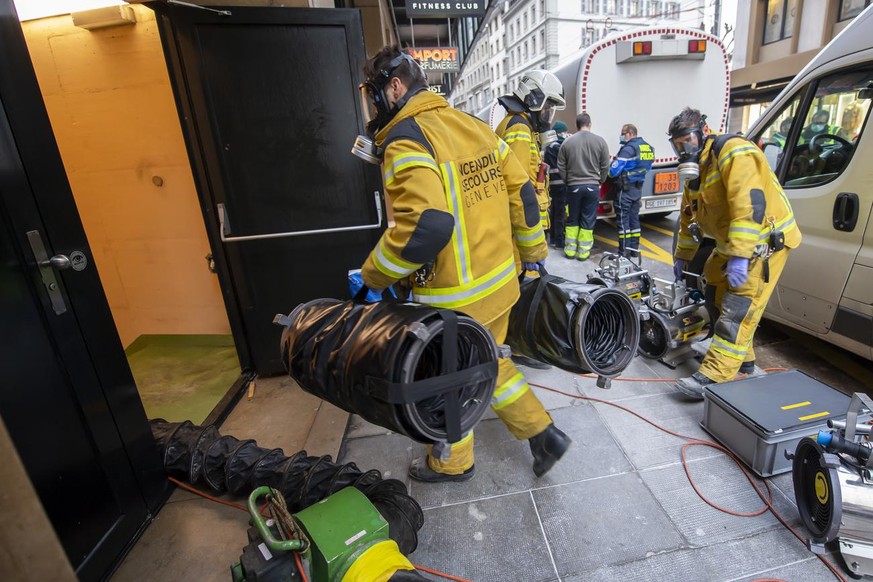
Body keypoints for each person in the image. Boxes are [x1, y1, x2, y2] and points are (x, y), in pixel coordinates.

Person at [358, 46, 572, 482]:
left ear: (394, 87)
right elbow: (525, 197)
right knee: (491, 361)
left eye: (372, 93)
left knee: (448, 377)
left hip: (454, 298)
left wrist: (373, 276)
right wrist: (532, 256)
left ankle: (453, 461)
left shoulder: (407, 139)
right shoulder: (475, 127)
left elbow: (428, 224)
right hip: (499, 286)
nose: (372, 104)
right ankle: (543, 434)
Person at [668, 107, 802, 399]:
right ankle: (744, 361)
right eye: (678, 145)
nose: (684, 150)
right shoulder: (699, 168)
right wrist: (683, 254)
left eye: (687, 142)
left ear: (703, 132)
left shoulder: (734, 152)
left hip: (763, 242)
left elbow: (748, 205)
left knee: (738, 308)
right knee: (714, 285)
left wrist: (741, 255)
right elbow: (689, 215)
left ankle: (713, 376)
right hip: (732, 245)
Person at [495, 69, 567, 236]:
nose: (548, 113)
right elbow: (519, 187)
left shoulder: (521, 125)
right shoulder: (519, 128)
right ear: (534, 98)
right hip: (526, 228)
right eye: (547, 107)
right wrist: (528, 242)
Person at [557, 112, 610, 260]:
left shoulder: (567, 143)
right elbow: (605, 165)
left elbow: (561, 165)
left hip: (573, 186)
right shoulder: (600, 142)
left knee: (573, 218)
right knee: (588, 218)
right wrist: (600, 181)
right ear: (590, 125)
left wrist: (568, 180)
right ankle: (583, 252)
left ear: (576, 125)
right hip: (592, 186)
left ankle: (570, 251)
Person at [608, 124, 654, 258]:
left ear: (631, 133)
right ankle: (634, 250)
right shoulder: (647, 147)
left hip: (625, 189)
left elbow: (613, 171)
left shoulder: (628, 149)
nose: (621, 136)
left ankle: (623, 253)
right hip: (637, 188)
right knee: (634, 221)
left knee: (623, 221)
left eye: (623, 133)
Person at [543, 120, 569, 248]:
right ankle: (559, 240)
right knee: (559, 213)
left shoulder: (549, 147)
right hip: (561, 183)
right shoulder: (558, 147)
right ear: (559, 133)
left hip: (553, 184)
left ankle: (553, 237)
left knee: (554, 212)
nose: (566, 134)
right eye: (564, 132)